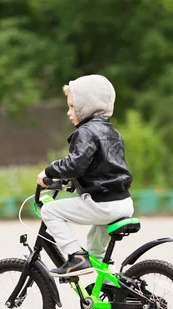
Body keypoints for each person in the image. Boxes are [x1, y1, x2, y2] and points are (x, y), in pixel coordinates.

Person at [37, 74, 134, 277]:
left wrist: (50, 170)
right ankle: (111, 291)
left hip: (102, 205)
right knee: (96, 254)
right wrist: (67, 181)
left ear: (87, 106)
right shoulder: (113, 132)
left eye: (73, 107)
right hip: (123, 203)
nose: (68, 112)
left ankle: (75, 257)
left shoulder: (86, 132)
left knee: (50, 211)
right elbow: (98, 167)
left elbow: (76, 164)